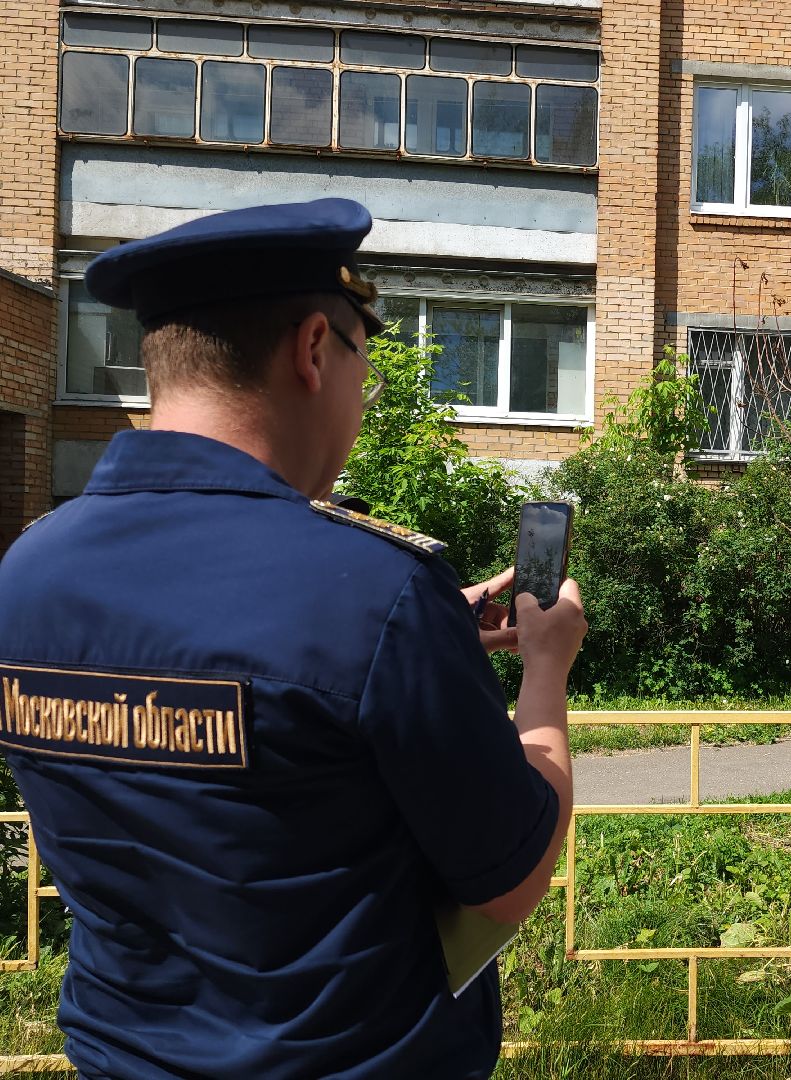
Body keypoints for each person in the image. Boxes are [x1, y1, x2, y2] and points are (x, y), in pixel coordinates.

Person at [0, 198, 586, 1079]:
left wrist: (416, 648)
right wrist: (546, 668)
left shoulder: (26, 571)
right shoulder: (379, 595)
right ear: (314, 348)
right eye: (365, 365)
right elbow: (510, 876)